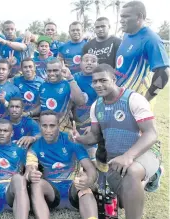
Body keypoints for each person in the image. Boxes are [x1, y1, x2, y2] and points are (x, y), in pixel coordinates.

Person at [73, 63, 161, 219]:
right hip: (115, 159)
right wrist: (79, 138)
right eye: (95, 81)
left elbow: (151, 134)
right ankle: (148, 179)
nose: (98, 85)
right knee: (122, 200)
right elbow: (95, 136)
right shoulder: (96, 106)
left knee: (132, 171)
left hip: (143, 152)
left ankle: (150, 173)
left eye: (103, 80)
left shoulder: (133, 99)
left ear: (113, 79)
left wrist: (128, 156)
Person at [116, 1, 169, 191]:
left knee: (142, 140)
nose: (121, 20)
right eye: (121, 16)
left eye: (126, 17)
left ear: (139, 17)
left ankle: (154, 173)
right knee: (124, 139)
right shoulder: (127, 35)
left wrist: (145, 99)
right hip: (121, 100)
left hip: (138, 102)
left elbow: (163, 74)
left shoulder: (151, 39)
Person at [25, 110, 98, 219]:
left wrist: (88, 181)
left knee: (83, 185)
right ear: (39, 126)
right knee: (36, 184)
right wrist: (30, 175)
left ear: (58, 125)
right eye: (44, 126)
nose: (48, 130)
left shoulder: (71, 141)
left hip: (73, 189)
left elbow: (91, 169)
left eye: (52, 126)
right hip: (52, 192)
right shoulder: (34, 147)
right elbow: (30, 169)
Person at [27, 59, 85, 132]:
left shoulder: (68, 84)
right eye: (49, 71)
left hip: (62, 128)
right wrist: (29, 113)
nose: (51, 73)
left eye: (55, 70)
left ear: (61, 70)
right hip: (45, 128)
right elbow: (41, 106)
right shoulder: (43, 86)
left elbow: (81, 101)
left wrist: (70, 78)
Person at [72, 53, 99, 161]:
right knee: (75, 155)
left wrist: (94, 126)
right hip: (75, 123)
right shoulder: (74, 78)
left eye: (93, 61)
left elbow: (103, 105)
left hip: (92, 125)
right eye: (86, 60)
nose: (89, 63)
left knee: (91, 156)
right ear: (80, 63)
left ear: (97, 64)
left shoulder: (99, 80)